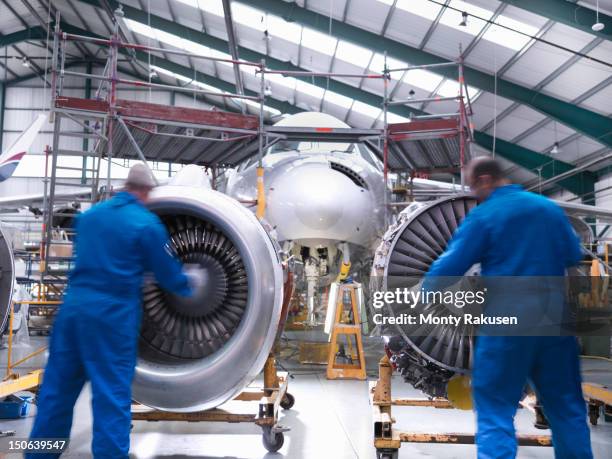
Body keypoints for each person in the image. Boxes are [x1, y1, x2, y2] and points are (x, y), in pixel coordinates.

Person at [424, 157, 592, 459]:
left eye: (473, 186)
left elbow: (450, 265)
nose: (472, 193)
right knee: (567, 410)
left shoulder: (486, 215)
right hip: (555, 323)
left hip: (507, 327)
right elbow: (572, 255)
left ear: (485, 180)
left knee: (496, 412)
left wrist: (421, 294)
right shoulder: (549, 210)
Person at [28, 164, 194, 459]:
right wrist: (187, 285)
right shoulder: (146, 224)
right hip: (111, 316)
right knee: (110, 395)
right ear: (145, 191)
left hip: (72, 311)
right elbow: (169, 275)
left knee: (56, 394)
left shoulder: (90, 217)